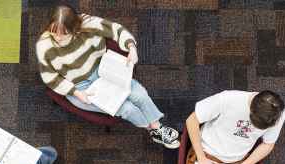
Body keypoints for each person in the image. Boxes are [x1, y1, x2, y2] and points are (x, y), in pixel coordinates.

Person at [36, 5, 179, 149]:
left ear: (75, 27)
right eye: (54, 32)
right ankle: (152, 129)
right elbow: (50, 78)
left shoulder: (88, 24)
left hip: (103, 71)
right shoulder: (44, 46)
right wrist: (76, 93)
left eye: (64, 33)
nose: (58, 38)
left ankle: (157, 128)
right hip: (79, 87)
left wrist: (132, 48)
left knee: (140, 95)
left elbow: (117, 30)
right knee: (127, 109)